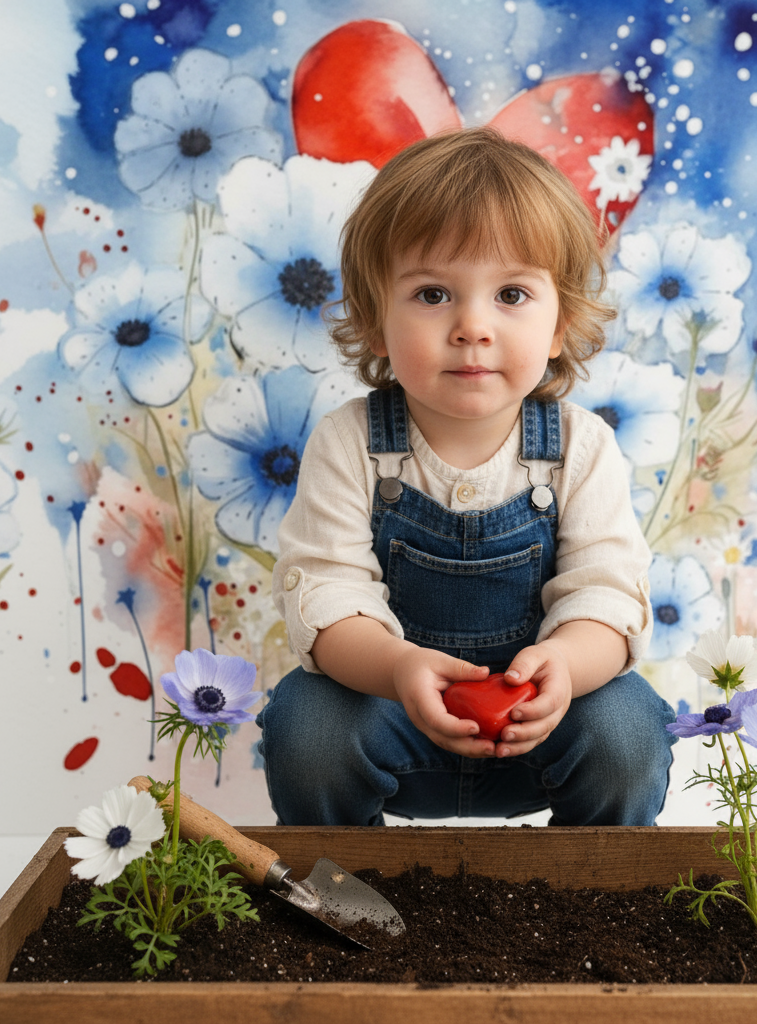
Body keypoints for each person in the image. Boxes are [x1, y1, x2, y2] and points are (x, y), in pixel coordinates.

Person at [257, 126, 676, 826]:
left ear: (561, 321)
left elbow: (607, 593)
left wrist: (565, 668)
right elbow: (327, 595)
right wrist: (397, 669)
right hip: (393, 720)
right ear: (372, 318)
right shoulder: (350, 443)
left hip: (542, 729)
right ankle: (339, 886)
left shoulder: (580, 446)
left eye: (511, 294)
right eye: (431, 295)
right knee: (309, 724)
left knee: (629, 727)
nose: (472, 327)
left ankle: (597, 894)